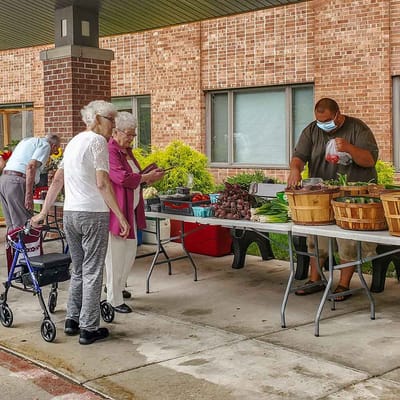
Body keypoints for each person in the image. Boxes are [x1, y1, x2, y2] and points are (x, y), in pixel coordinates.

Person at [31, 100, 130, 345]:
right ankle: (89, 328)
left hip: (71, 213)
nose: (113, 126)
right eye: (110, 120)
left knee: (78, 268)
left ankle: (72, 320)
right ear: (96, 119)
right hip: (92, 213)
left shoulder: (74, 142)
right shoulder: (98, 142)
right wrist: (119, 215)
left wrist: (44, 212)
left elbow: (57, 181)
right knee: (93, 271)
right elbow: (102, 183)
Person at [287, 97, 379, 301]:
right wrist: (295, 169)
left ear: (337, 115)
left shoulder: (357, 128)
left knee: (347, 240)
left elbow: (370, 159)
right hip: (322, 194)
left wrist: (349, 148)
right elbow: (299, 156)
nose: (323, 125)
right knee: (316, 236)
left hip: (352, 198)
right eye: (320, 120)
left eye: (327, 120)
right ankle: (315, 279)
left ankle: (343, 284)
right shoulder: (312, 130)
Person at [105, 111, 164, 313]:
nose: (131, 139)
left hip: (131, 209)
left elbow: (135, 175)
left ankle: (119, 287)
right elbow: (122, 178)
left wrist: (148, 174)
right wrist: (147, 178)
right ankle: (113, 299)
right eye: (128, 134)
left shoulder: (127, 151)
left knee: (129, 253)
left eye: (133, 135)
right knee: (115, 255)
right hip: (117, 211)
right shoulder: (110, 151)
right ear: (115, 132)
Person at [0, 134, 61, 230]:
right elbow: (31, 166)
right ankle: (26, 245)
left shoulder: (27, 141)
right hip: (17, 181)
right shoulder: (45, 145)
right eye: (56, 150)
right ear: (53, 146)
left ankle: (12, 245)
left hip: (4, 179)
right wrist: (28, 195)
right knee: (24, 225)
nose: (55, 152)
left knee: (11, 225)